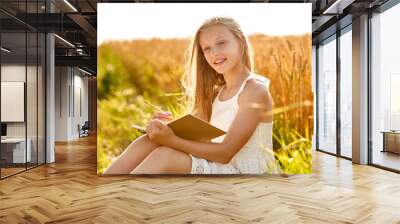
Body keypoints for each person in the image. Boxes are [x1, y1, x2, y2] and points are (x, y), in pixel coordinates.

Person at [103, 16, 280, 174]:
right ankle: (107, 191)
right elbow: (193, 134)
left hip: (245, 173)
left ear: (240, 43)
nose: (214, 53)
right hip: (220, 164)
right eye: (207, 48)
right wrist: (168, 127)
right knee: (148, 141)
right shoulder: (217, 93)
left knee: (165, 156)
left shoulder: (254, 91)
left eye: (221, 43)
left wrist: (170, 139)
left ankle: (120, 200)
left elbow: (226, 153)